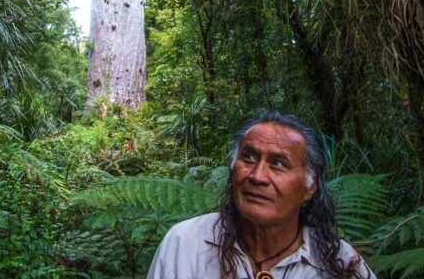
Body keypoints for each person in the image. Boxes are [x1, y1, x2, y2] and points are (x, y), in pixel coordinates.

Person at [146, 111, 376, 279]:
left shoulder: (341, 263)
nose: (257, 176)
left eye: (278, 163)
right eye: (249, 158)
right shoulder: (185, 243)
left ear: (310, 187)